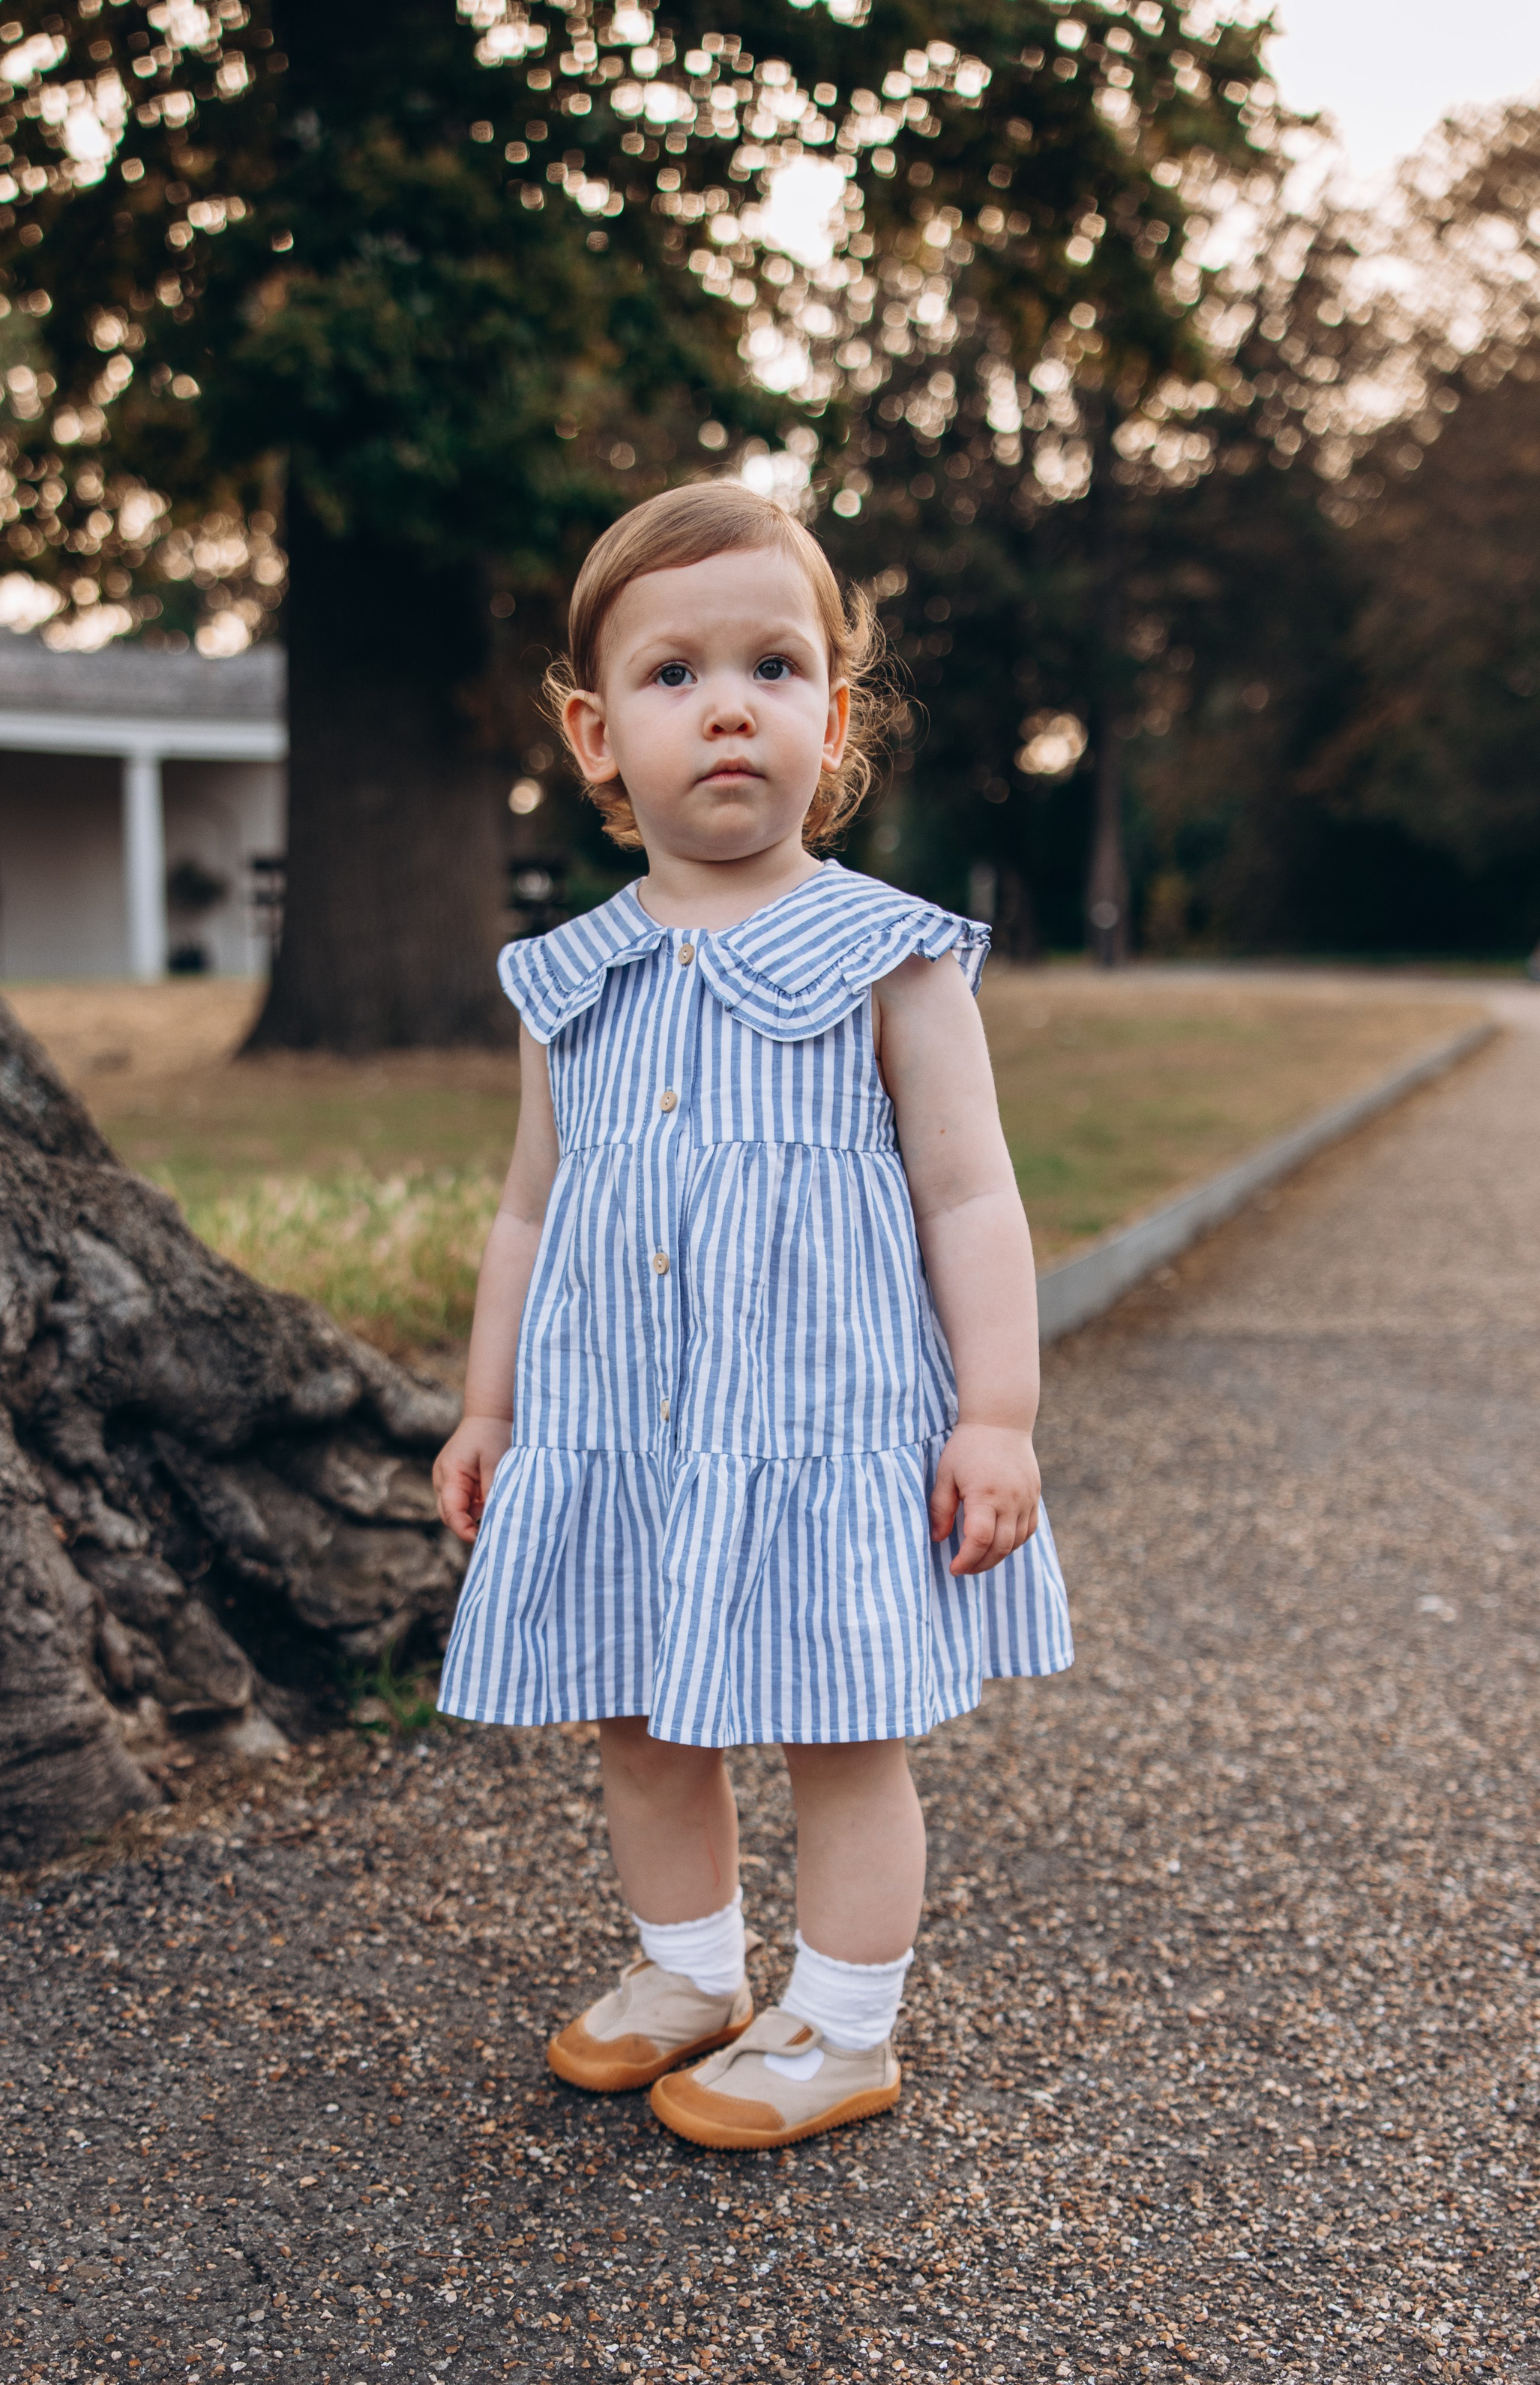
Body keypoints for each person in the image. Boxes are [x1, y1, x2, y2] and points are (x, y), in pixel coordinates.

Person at [431, 479, 1072, 2151]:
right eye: (671, 674)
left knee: (836, 1730)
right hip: (625, 1431)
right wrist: (490, 1406)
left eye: (773, 665)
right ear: (591, 733)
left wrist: (992, 1412)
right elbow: (525, 1209)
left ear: (832, 719)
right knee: (639, 1717)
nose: (726, 704)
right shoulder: (568, 979)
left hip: (815, 1433)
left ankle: (842, 2023)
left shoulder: (887, 957)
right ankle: (687, 1972)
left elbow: (969, 1196)